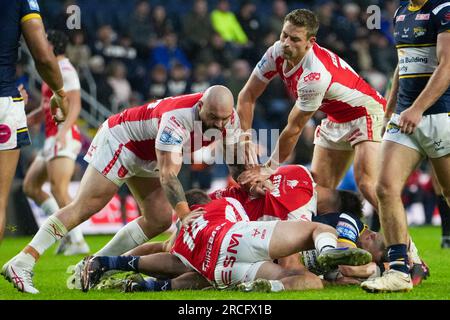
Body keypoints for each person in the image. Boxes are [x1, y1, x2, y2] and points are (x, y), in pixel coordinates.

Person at [2, 86, 241, 294]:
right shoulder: (177, 119)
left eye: (224, 119)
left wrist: (250, 176)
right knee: (86, 206)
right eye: (213, 117)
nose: (219, 124)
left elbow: (234, 160)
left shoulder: (229, 118)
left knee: (157, 219)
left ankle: (95, 265)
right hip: (122, 139)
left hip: (148, 154)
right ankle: (23, 261)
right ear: (200, 105)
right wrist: (184, 212)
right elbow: (169, 174)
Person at [80, 190, 372, 293]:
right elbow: (247, 221)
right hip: (239, 239)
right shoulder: (222, 204)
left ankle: (111, 265)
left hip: (219, 270)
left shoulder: (181, 235)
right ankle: (326, 250)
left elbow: (166, 254)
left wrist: (117, 262)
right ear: (202, 205)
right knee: (314, 233)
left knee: (203, 271)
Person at [236, 9, 386, 210]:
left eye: (295, 39)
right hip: (335, 117)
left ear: (310, 42)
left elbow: (294, 128)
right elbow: (246, 96)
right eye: (284, 35)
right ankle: (335, 238)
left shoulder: (314, 74)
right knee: (319, 193)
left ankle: (404, 241)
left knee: (367, 185)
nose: (286, 43)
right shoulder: (275, 52)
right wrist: (245, 141)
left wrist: (269, 168)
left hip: (366, 112)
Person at [361, 0, 450, 293]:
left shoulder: (444, 8)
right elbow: (403, 64)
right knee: (384, 188)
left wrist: (419, 108)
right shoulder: (401, 12)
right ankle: (399, 270)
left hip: (439, 115)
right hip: (404, 117)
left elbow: (448, 65)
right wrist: (390, 109)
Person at [0, 0, 68, 243]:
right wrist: (60, 93)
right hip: (4, 99)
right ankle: (71, 237)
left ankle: (71, 237)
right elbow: (42, 54)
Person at [23, 30, 89, 256]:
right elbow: (49, 103)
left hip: (63, 136)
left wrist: (63, 132)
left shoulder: (66, 69)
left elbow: (76, 105)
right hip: (52, 136)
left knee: (59, 189)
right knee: (30, 186)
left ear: (51, 46)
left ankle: (78, 240)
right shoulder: (52, 70)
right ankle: (68, 236)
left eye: (43, 43)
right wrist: (35, 116)